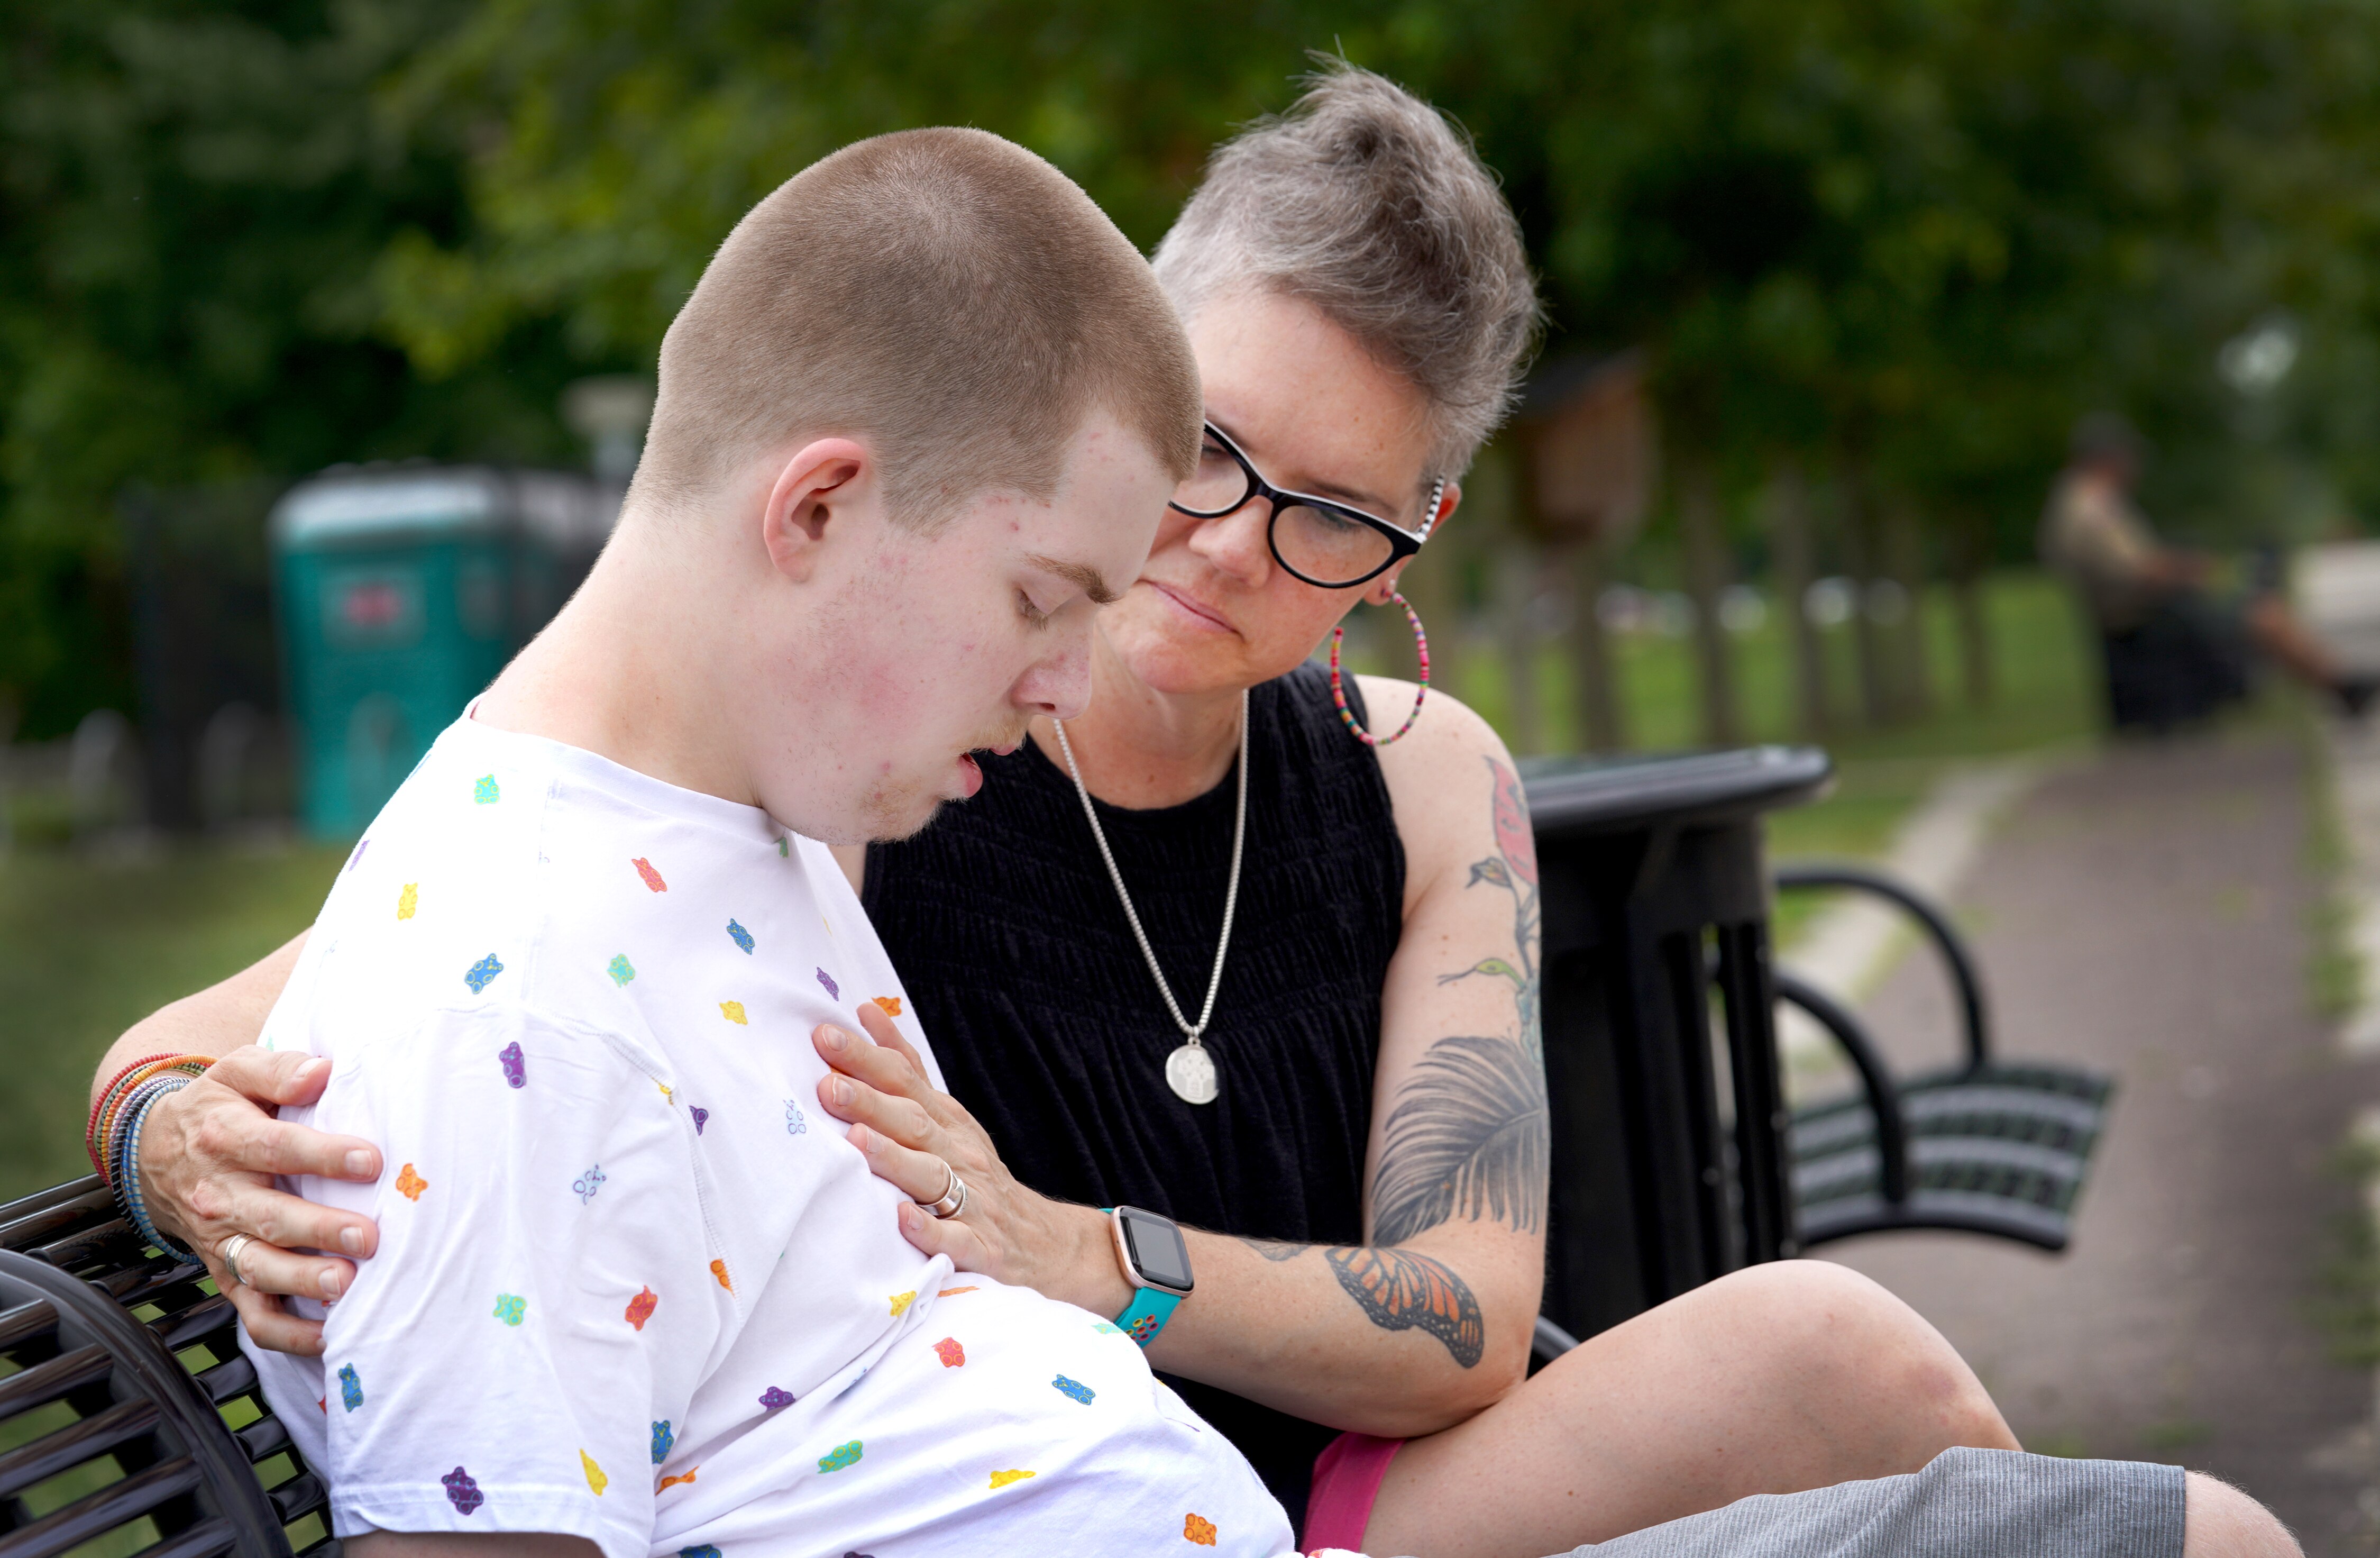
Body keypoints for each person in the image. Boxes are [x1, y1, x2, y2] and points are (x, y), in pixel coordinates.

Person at [103, 70, 2296, 1558]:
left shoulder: (1414, 778)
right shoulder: (845, 754)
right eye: (1209, 451)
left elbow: (1467, 1302)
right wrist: (163, 1139)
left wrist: (1081, 1257)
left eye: (1337, 515)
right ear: (1121, 358)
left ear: (1425, 526)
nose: (1231, 545)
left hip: (1320, 1487)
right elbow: (389, 993)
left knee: (1845, 1345)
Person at [2043, 412, 2371, 719]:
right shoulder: (2093, 507)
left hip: (2152, 615)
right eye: (2129, 457)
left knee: (2261, 605)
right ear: (2108, 460)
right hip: (2153, 619)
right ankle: (2341, 686)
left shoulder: (2075, 499)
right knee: (2265, 615)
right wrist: (2191, 569)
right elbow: (2140, 570)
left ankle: (2340, 685)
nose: (2135, 466)